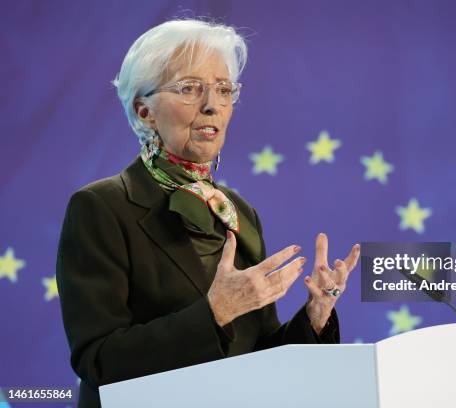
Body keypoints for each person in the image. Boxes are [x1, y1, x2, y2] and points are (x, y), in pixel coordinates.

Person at [56, 19, 360, 408]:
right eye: (189, 88)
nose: (212, 104)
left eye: (223, 89)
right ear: (144, 110)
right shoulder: (101, 207)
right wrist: (215, 312)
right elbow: (99, 362)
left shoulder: (235, 211)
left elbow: (260, 355)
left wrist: (315, 317)